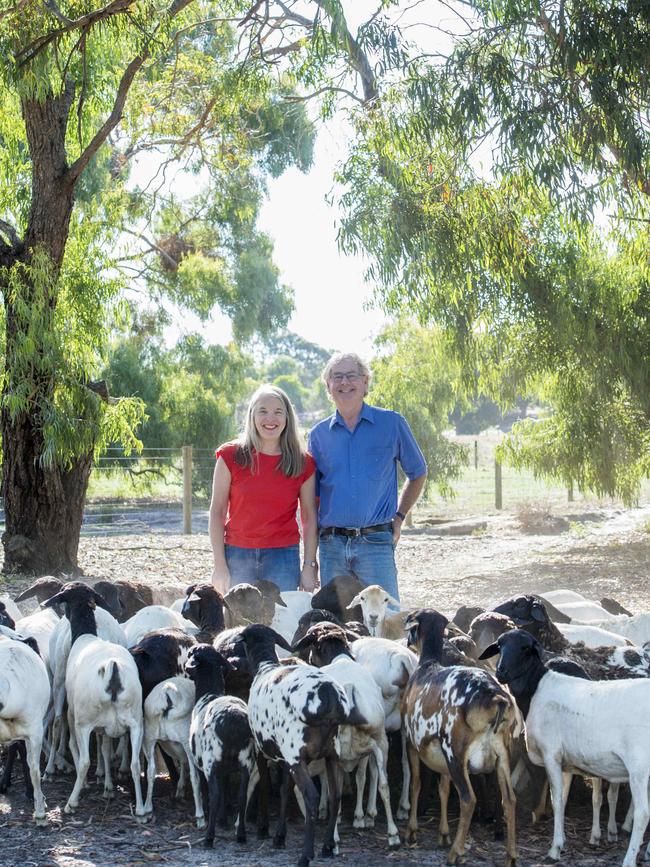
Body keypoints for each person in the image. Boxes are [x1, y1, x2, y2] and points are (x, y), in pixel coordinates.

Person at [308, 352, 427, 601]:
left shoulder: (391, 423)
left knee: (386, 621)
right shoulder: (318, 435)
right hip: (332, 545)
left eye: (352, 375)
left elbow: (418, 473)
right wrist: (311, 558)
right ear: (328, 386)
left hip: (376, 542)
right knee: (335, 624)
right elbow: (311, 498)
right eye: (337, 377)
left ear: (365, 383)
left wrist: (400, 516)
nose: (344, 382)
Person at [209, 384, 318, 594]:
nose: (271, 419)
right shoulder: (230, 456)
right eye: (263, 411)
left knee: (282, 623)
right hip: (237, 554)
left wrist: (309, 566)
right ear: (252, 415)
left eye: (278, 412)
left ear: (287, 418)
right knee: (239, 623)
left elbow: (309, 518)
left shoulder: (303, 462)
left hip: (283, 557)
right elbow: (217, 512)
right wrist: (219, 566)